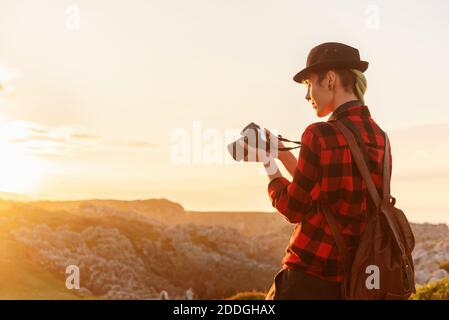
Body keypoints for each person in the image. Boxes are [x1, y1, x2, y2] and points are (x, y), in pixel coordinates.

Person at [263, 42, 392, 300]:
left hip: (309, 276)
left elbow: (293, 207)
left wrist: (268, 165)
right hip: (353, 281)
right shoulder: (380, 137)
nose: (307, 95)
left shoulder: (319, 134)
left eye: (309, 84)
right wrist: (283, 153)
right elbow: (326, 187)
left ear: (330, 79)